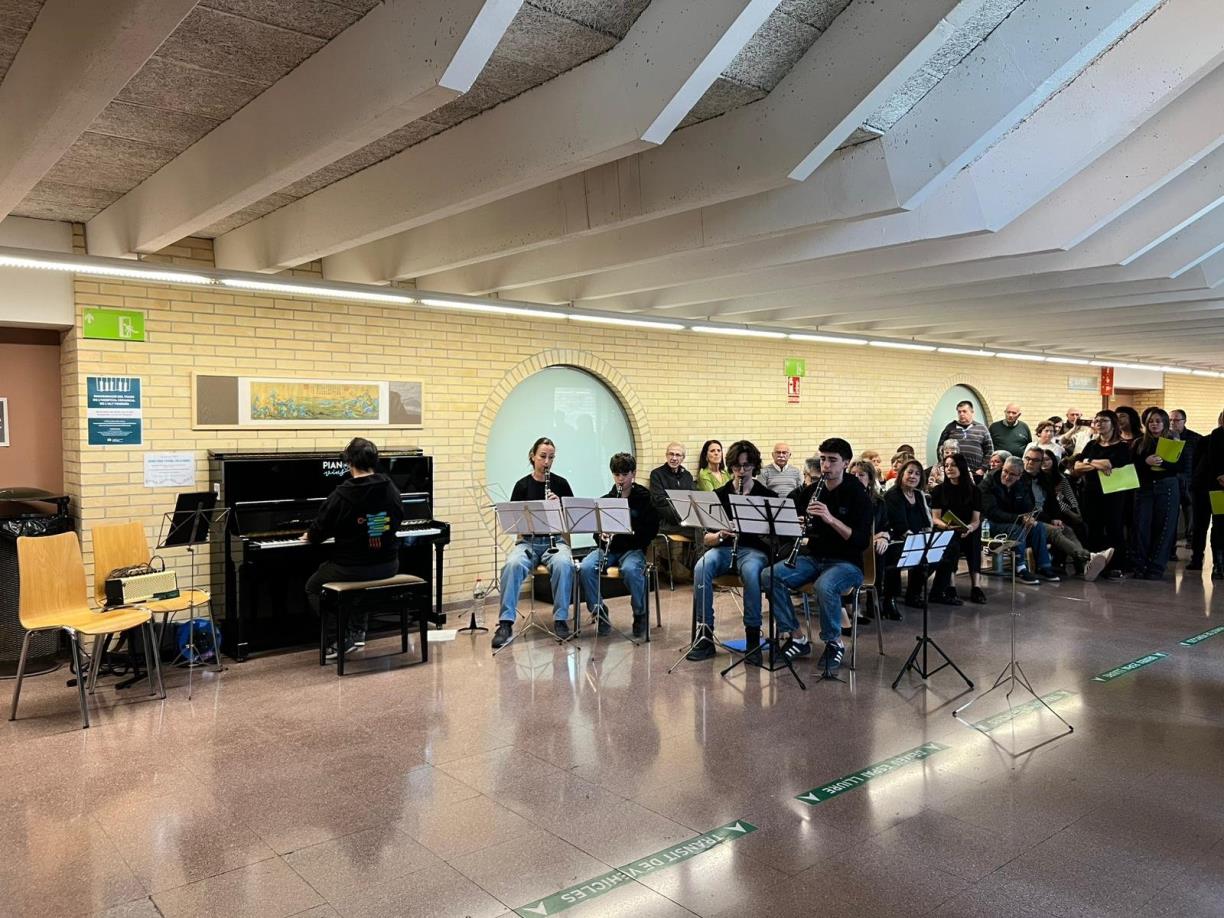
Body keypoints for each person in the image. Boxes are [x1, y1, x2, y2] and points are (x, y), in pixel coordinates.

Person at [764, 438, 871, 671]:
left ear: (846, 463)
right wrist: (797, 524)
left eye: (832, 460)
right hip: (814, 557)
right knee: (769, 575)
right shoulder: (811, 491)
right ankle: (797, 638)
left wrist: (830, 519)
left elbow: (861, 541)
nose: (826, 465)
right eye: (823, 459)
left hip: (847, 563)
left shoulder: (858, 494)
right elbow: (799, 528)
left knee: (824, 585)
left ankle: (834, 643)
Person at [303, 437, 405, 661]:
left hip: (351, 567)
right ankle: (358, 631)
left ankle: (337, 640)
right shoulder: (391, 488)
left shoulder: (342, 494)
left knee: (313, 586)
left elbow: (319, 532)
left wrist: (309, 535)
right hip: (388, 564)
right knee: (359, 582)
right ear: (374, 461)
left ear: (349, 463)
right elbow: (398, 519)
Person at [686, 440, 775, 662]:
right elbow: (706, 538)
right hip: (725, 547)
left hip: (753, 550)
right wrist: (721, 534)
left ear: (754, 466)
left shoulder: (767, 496)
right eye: (736, 466)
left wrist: (757, 527)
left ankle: (752, 637)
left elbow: (775, 539)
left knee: (752, 573)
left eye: (746, 466)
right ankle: (705, 634)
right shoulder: (719, 494)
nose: (741, 471)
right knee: (701, 567)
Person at [491, 437, 576, 649]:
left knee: (564, 564)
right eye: (543, 456)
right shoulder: (522, 485)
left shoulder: (561, 484)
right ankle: (505, 623)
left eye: (551, 457)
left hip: (555, 541)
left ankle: (560, 619)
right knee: (512, 565)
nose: (547, 462)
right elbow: (514, 524)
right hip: (527, 542)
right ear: (533, 456)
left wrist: (559, 508)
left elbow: (572, 520)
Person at [579, 453, 659, 637]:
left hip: (633, 550)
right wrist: (602, 536)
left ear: (633, 473)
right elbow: (596, 534)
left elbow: (651, 531)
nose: (620, 479)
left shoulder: (645, 499)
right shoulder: (606, 499)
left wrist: (628, 532)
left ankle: (640, 614)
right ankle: (599, 611)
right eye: (616, 474)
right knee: (586, 567)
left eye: (624, 474)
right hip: (608, 549)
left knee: (631, 570)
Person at [1020, 446, 1111, 581]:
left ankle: (1085, 566)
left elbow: (1053, 501)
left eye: (1035, 460)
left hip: (1044, 517)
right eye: (1027, 458)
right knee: (1055, 531)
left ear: (1040, 463)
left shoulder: (1044, 478)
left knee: (1068, 530)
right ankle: (1089, 556)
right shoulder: (1019, 478)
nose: (1030, 462)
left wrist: (1055, 517)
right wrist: (1051, 519)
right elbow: (1027, 508)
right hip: (1029, 519)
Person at [882, 458, 959, 607]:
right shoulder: (893, 495)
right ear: (902, 474)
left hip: (918, 538)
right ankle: (913, 594)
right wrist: (922, 542)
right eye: (909, 472)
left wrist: (929, 538)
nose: (913, 476)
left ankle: (938, 592)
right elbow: (900, 527)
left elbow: (926, 522)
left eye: (917, 474)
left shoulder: (918, 495)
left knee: (951, 547)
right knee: (924, 552)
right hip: (899, 539)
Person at [980, 456, 1061, 585]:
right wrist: (1019, 519)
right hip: (988, 523)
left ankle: (1044, 566)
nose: (1007, 476)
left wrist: (1029, 517)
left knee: (1038, 527)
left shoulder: (1021, 484)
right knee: (1018, 529)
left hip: (1011, 521)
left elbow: (1028, 506)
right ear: (1002, 468)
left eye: (1012, 474)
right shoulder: (989, 482)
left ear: (1019, 476)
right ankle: (1020, 568)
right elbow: (992, 512)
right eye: (1005, 471)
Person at [1072, 410, 1132, 581]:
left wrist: (1088, 462)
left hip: (1114, 493)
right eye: (1097, 421)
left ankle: (1115, 566)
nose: (1099, 423)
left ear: (1113, 424)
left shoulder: (1122, 446)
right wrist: (1095, 464)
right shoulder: (1092, 445)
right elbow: (1077, 466)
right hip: (1091, 492)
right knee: (1093, 528)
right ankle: (1094, 564)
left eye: (1104, 420)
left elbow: (1109, 464)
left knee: (1114, 529)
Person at [1131, 408, 1182, 580]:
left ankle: (1156, 567)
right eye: (1151, 421)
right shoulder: (1139, 442)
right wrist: (1145, 461)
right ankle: (1140, 565)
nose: (1154, 424)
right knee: (1141, 526)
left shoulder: (1173, 440)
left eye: (1158, 421)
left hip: (1167, 486)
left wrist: (1163, 463)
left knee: (1164, 526)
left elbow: (1181, 467)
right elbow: (1131, 466)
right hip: (1145, 487)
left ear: (1165, 423)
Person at [931, 452, 986, 604]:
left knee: (974, 538)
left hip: (967, 528)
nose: (949, 468)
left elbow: (976, 520)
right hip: (946, 528)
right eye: (946, 466)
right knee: (951, 539)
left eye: (953, 465)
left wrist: (969, 528)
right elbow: (935, 518)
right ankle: (951, 585)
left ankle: (976, 586)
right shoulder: (938, 490)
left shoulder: (974, 491)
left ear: (961, 467)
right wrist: (947, 526)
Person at [1187, 409, 1224, 578]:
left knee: (1219, 525)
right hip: (1204, 487)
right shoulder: (1211, 438)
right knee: (1200, 524)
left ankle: (1218, 564)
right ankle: (1197, 558)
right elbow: (1197, 464)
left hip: (1218, 488)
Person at [1168, 410, 1201, 553]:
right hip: (1172, 480)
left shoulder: (1196, 438)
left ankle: (1191, 539)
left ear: (1184, 421)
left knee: (1190, 511)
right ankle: (1171, 545)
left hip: (1190, 480)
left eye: (1176, 420)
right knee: (1171, 513)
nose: (1172, 423)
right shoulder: (1165, 438)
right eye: (1170, 420)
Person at [939, 401, 994, 479]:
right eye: (959, 412)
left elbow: (989, 451)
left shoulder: (982, 429)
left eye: (964, 411)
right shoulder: (950, 428)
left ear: (972, 412)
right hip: (954, 474)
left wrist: (982, 469)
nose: (961, 414)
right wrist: (944, 466)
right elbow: (940, 448)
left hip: (975, 474)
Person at [648, 442, 694, 534]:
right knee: (698, 531)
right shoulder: (656, 474)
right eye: (671, 454)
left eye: (678, 455)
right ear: (666, 455)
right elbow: (659, 500)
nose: (674, 458)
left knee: (705, 528)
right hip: (665, 521)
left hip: (685, 519)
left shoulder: (687, 475)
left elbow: (692, 498)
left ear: (683, 458)